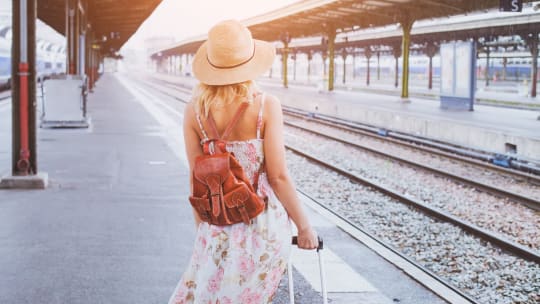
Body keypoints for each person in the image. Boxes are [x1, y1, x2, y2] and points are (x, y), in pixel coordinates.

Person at [168, 19, 319, 304]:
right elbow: (279, 177)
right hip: (263, 225)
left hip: (218, 223)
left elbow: (195, 176)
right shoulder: (265, 106)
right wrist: (304, 227)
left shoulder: (194, 112)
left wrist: (204, 228)